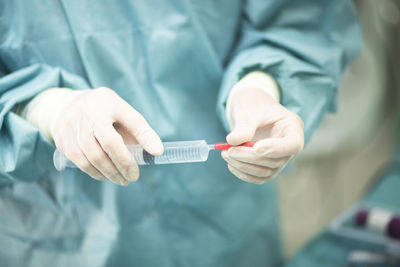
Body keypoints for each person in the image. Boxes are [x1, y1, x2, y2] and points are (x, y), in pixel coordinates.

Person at [0, 0, 360, 266]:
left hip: (226, 225)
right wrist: (43, 109)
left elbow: (301, 19)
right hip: (58, 242)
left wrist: (259, 86)